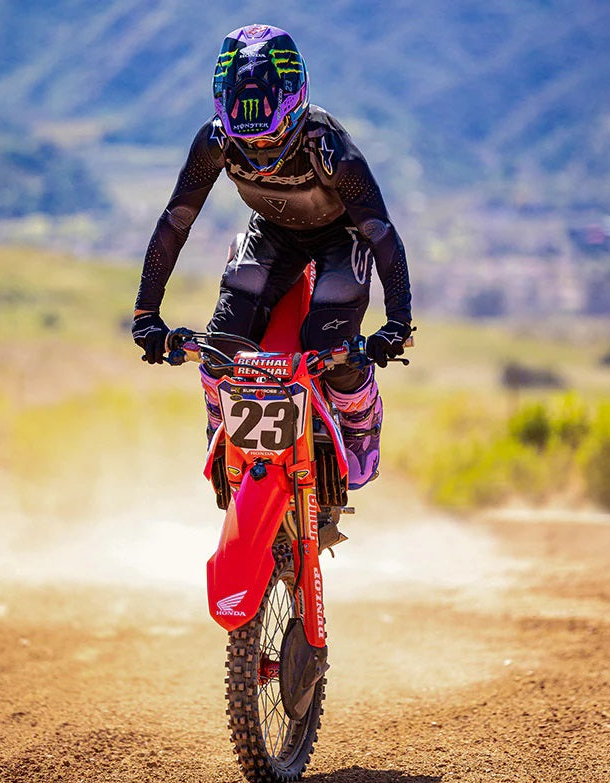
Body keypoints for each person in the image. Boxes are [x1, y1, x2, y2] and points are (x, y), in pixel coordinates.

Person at [132, 24, 412, 490]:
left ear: (296, 109)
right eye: (249, 141)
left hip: (341, 236)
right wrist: (146, 314)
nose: (261, 150)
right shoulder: (215, 141)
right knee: (221, 345)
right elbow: (175, 222)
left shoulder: (331, 149)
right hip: (272, 231)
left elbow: (379, 232)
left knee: (330, 346)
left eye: (272, 136)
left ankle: (361, 421)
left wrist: (398, 323)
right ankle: (220, 420)